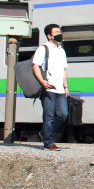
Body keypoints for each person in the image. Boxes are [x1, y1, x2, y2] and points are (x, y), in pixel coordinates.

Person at [33, 23, 68, 151]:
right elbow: (35, 65)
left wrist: (66, 86)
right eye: (56, 32)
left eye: (59, 32)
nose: (59, 34)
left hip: (60, 88)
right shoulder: (43, 49)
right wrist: (42, 81)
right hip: (48, 88)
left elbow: (64, 69)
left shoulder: (61, 50)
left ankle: (45, 133)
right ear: (49, 35)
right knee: (49, 116)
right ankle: (48, 143)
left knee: (63, 114)